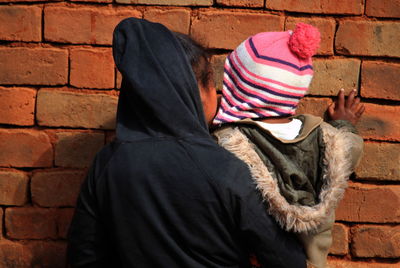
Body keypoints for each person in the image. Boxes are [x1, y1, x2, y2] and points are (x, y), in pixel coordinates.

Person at [67, 18, 307, 267]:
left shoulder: (106, 164)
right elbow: (287, 261)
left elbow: (84, 257)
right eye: (213, 83)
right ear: (197, 91)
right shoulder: (226, 168)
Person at [212, 23, 364, 268]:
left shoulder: (229, 143)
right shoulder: (326, 138)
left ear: (239, 87)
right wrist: (344, 125)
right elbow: (350, 149)